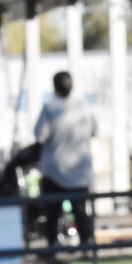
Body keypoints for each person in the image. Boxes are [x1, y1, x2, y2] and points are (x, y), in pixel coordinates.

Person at [34, 71, 97, 248]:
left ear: (54, 87)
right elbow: (94, 130)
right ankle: (86, 248)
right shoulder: (84, 107)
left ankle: (52, 250)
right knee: (81, 213)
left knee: (52, 214)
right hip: (80, 171)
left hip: (54, 170)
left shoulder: (50, 108)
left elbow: (40, 135)